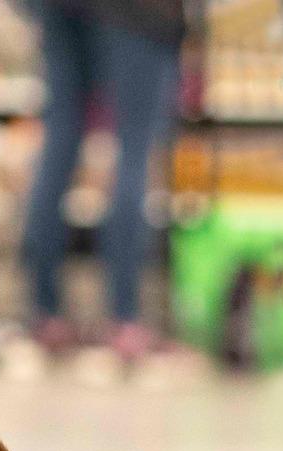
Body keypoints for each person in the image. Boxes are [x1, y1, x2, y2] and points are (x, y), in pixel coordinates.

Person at [16, 0, 183, 372]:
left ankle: (46, 316)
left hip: (62, 9)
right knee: (134, 151)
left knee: (59, 143)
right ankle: (124, 320)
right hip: (139, 15)